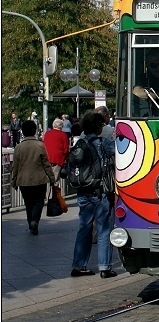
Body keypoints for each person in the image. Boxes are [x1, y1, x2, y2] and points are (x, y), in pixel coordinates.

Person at [63, 110, 116, 278]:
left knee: (84, 228)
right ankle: (105, 267)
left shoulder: (78, 144)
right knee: (104, 229)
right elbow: (122, 153)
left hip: (83, 192)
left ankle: (79, 265)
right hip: (100, 192)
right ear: (98, 127)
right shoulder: (103, 143)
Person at [10, 120, 56, 235]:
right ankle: (35, 221)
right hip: (39, 179)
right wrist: (51, 178)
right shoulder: (40, 145)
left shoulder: (19, 147)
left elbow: (15, 166)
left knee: (28, 203)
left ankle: (30, 222)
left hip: (23, 180)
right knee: (38, 202)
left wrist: (14, 181)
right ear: (35, 131)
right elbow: (46, 164)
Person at [42, 118, 70, 189]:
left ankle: (47, 196)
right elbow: (66, 149)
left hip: (46, 159)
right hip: (57, 159)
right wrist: (65, 159)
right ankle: (53, 197)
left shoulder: (47, 133)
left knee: (47, 179)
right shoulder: (63, 135)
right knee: (55, 181)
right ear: (61, 126)